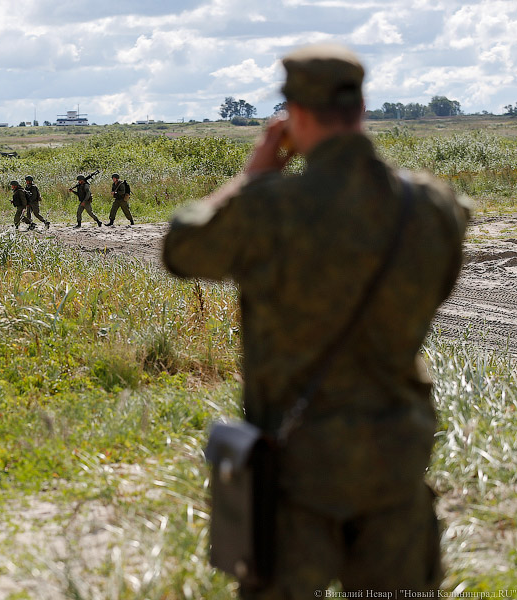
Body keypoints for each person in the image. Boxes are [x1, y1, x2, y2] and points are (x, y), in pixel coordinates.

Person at [162, 44, 469, 598]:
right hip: (395, 458)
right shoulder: (431, 207)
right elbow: (440, 288)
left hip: (295, 468)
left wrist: (250, 178)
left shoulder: (270, 208)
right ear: (362, 108)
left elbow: (182, 249)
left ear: (294, 115)